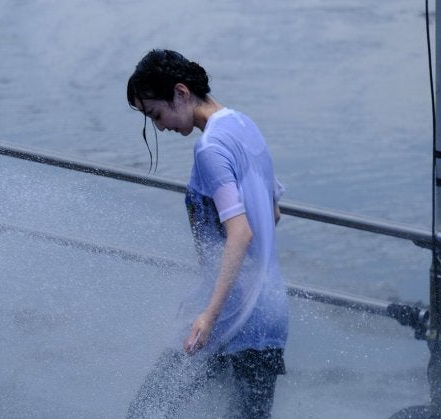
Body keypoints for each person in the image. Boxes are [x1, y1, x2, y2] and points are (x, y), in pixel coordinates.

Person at [125, 49, 288, 418]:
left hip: (227, 321)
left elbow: (240, 233)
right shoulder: (245, 126)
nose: (161, 127)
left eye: (157, 114)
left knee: (145, 410)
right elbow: (272, 212)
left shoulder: (210, 148)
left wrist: (209, 315)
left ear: (181, 93)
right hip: (269, 314)